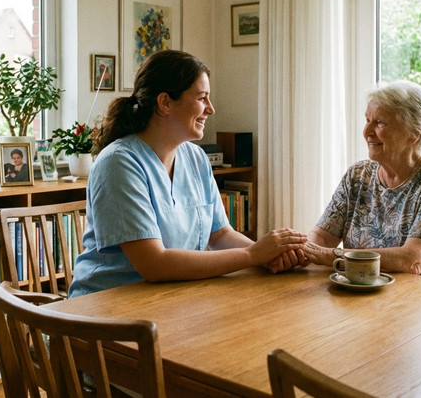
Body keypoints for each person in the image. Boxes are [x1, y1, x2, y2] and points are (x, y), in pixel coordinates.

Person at [68, 50, 306, 297]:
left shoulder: (196, 158)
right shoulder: (118, 163)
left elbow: (221, 234)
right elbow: (154, 264)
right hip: (103, 314)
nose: (211, 109)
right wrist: (253, 255)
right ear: (165, 103)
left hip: (173, 300)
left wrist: (267, 257)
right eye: (202, 98)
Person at [293, 81, 421, 281]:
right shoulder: (358, 175)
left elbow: (414, 260)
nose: (367, 132)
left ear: (414, 134)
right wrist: (302, 251)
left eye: (380, 122)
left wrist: (330, 255)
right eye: (367, 120)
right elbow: (322, 237)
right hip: (362, 289)